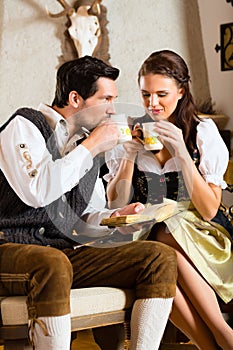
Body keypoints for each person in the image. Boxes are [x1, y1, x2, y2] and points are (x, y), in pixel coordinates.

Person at [0, 55, 177, 350]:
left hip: (61, 253)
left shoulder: (88, 143)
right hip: (9, 247)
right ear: (75, 98)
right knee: (52, 263)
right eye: (106, 98)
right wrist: (92, 145)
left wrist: (116, 214)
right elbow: (37, 191)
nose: (113, 108)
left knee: (158, 258)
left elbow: (87, 214)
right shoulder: (25, 125)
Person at [105, 50, 233, 350]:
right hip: (151, 233)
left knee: (163, 237)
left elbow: (210, 209)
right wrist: (128, 157)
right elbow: (115, 204)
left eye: (162, 94)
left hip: (202, 234)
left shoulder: (202, 132)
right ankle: (217, 344)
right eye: (145, 94)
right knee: (156, 265)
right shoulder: (132, 133)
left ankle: (223, 337)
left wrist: (182, 153)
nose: (152, 104)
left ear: (181, 91)